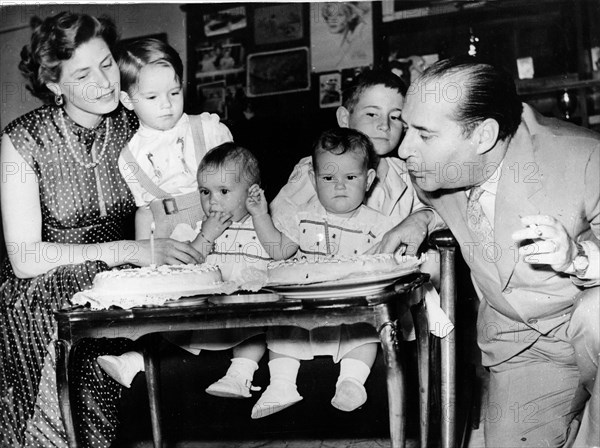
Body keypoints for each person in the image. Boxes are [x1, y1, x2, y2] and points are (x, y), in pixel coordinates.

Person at [0, 12, 203, 448]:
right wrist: (127, 250)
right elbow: (24, 259)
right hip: (44, 299)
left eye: (107, 64)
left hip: (124, 286)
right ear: (54, 85)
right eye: (83, 73)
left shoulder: (135, 119)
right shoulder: (22, 140)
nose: (105, 83)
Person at [396, 56, 599, 447]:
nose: (404, 149)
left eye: (423, 134)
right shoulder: (431, 167)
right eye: (407, 129)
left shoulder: (584, 158)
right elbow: (466, 210)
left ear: (483, 135)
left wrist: (578, 256)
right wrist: (422, 218)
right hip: (520, 344)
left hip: (584, 322)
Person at [99, 143, 272, 399]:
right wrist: (207, 234)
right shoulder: (199, 229)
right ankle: (134, 361)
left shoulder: (261, 227)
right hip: (204, 314)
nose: (212, 200)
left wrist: (262, 216)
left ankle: (239, 376)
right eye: (205, 192)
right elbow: (189, 262)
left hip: (243, 311)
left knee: (255, 332)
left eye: (223, 191)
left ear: (251, 193)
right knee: (169, 329)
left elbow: (280, 251)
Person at [246, 127, 398, 419]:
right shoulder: (302, 218)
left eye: (350, 178)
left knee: (366, 335)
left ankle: (351, 382)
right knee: (281, 333)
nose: (339, 185)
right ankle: (280, 385)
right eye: (328, 178)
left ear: (368, 181)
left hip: (351, 309)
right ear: (314, 181)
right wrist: (260, 216)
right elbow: (278, 250)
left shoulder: (379, 225)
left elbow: (388, 264)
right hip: (306, 307)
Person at [271, 68, 441, 279]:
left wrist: (421, 218)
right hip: (317, 285)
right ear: (344, 118)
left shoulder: (408, 174)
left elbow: (446, 211)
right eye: (371, 114)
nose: (384, 125)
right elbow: (278, 227)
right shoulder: (315, 170)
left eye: (395, 117)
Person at [114, 38, 233, 240]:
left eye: (174, 93)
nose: (166, 104)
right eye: (152, 97)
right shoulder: (130, 157)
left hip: (220, 228)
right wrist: (147, 262)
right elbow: (144, 212)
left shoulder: (208, 129)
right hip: (169, 240)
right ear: (127, 100)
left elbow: (235, 185)